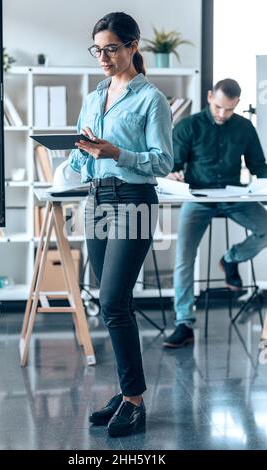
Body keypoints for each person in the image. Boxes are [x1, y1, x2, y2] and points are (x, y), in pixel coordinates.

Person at [68, 12, 173, 436]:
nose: (104, 57)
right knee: (115, 305)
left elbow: (162, 161)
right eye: (98, 49)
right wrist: (74, 150)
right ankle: (125, 393)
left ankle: (134, 401)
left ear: (132, 46)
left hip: (133, 201)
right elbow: (81, 156)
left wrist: (116, 153)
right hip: (97, 200)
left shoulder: (152, 100)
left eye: (112, 48)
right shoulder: (94, 96)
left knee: (113, 301)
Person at [163, 78, 267, 349]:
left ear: (237, 106)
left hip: (234, 196)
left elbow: (259, 166)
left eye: (229, 110)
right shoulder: (189, 126)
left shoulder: (244, 128)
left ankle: (230, 259)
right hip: (197, 198)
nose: (222, 114)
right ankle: (184, 322)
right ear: (210, 97)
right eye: (219, 107)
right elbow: (173, 164)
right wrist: (173, 174)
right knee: (184, 256)